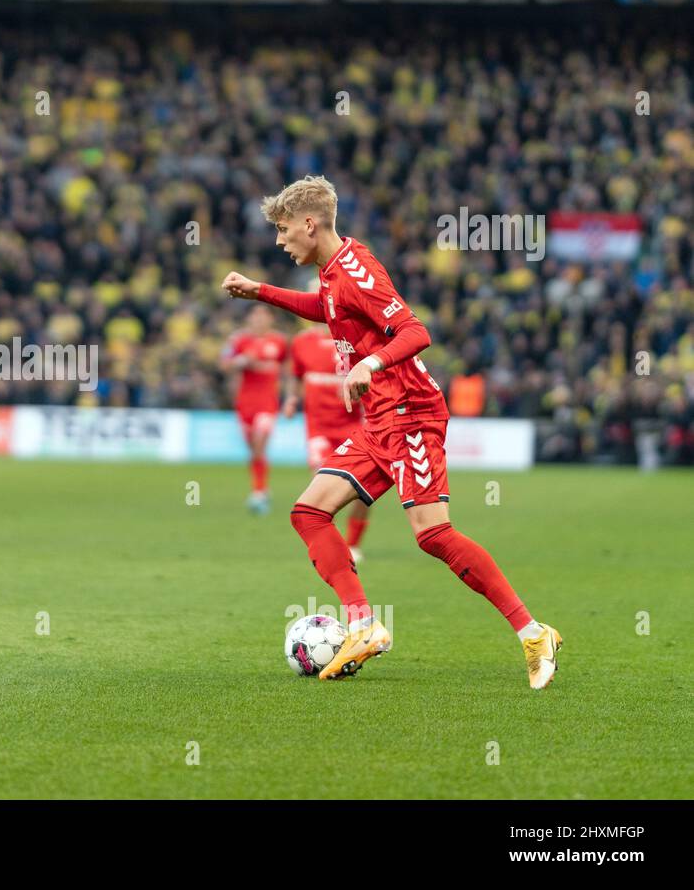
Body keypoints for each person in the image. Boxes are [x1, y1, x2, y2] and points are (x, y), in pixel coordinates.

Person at [222, 175, 562, 688]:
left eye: (284, 228)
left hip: (411, 413)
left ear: (309, 224)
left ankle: (533, 632)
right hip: (381, 418)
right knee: (309, 512)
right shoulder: (333, 272)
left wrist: (370, 365)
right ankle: (362, 623)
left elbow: (415, 332)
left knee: (434, 536)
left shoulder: (355, 271)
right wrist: (259, 292)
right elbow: (326, 311)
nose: (279, 239)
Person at [287, 315, 371, 564]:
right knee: (321, 487)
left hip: (353, 425)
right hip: (318, 428)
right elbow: (296, 376)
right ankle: (331, 547)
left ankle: (353, 543)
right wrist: (292, 399)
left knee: (362, 489)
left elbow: (371, 374)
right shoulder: (302, 342)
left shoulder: (351, 339)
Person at [220, 307, 288, 514]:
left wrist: (288, 395)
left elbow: (288, 368)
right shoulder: (238, 341)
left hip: (268, 403)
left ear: (270, 319)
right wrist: (241, 361)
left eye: (263, 316)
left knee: (259, 443)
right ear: (249, 319)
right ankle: (262, 488)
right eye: (255, 316)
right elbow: (224, 365)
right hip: (245, 403)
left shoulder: (279, 341)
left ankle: (258, 492)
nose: (259, 320)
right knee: (254, 449)